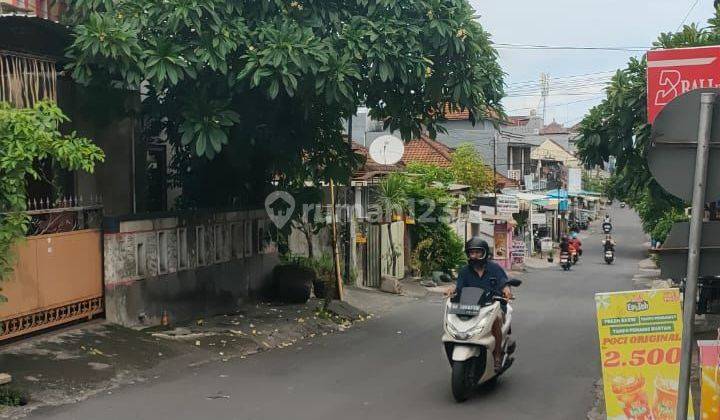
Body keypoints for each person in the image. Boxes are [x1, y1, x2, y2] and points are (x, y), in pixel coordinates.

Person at [445, 237, 513, 370]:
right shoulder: (464, 271)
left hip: (493, 305)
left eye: (478, 252)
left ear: (485, 253)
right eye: (472, 253)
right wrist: (451, 289)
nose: (474, 256)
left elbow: (504, 282)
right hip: (471, 306)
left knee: (496, 321)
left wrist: (506, 290)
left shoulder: (494, 268)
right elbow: (458, 287)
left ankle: (497, 355)